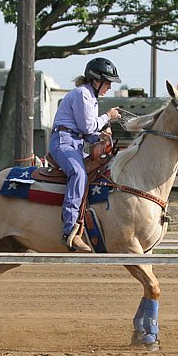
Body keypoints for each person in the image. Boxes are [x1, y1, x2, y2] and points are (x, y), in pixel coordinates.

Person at [49, 57, 122, 252]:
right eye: (107, 83)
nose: (109, 87)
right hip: (63, 143)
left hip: (74, 144)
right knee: (79, 173)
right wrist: (108, 117)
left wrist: (101, 136)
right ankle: (70, 231)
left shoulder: (90, 97)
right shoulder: (82, 94)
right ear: (96, 80)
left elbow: (88, 132)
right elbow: (87, 126)